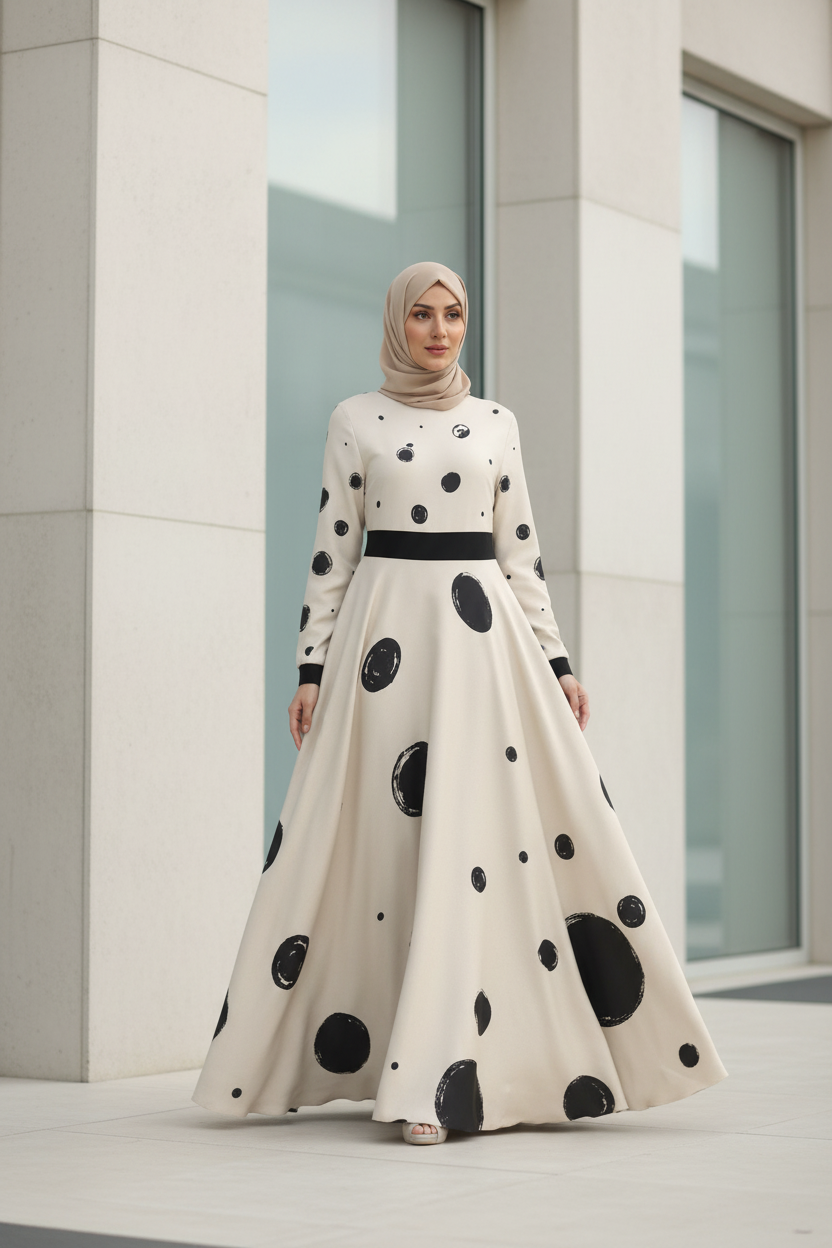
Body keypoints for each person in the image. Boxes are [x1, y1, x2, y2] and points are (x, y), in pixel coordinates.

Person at [193, 261, 727, 1145]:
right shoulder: (353, 419)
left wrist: (556, 662)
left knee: (474, 849)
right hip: (383, 656)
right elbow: (332, 549)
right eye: (423, 315)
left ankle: (457, 1074)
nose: (439, 330)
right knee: (387, 849)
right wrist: (311, 668)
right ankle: (402, 1063)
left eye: (454, 315)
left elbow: (520, 552)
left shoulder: (496, 424)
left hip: (483, 654)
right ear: (396, 322)